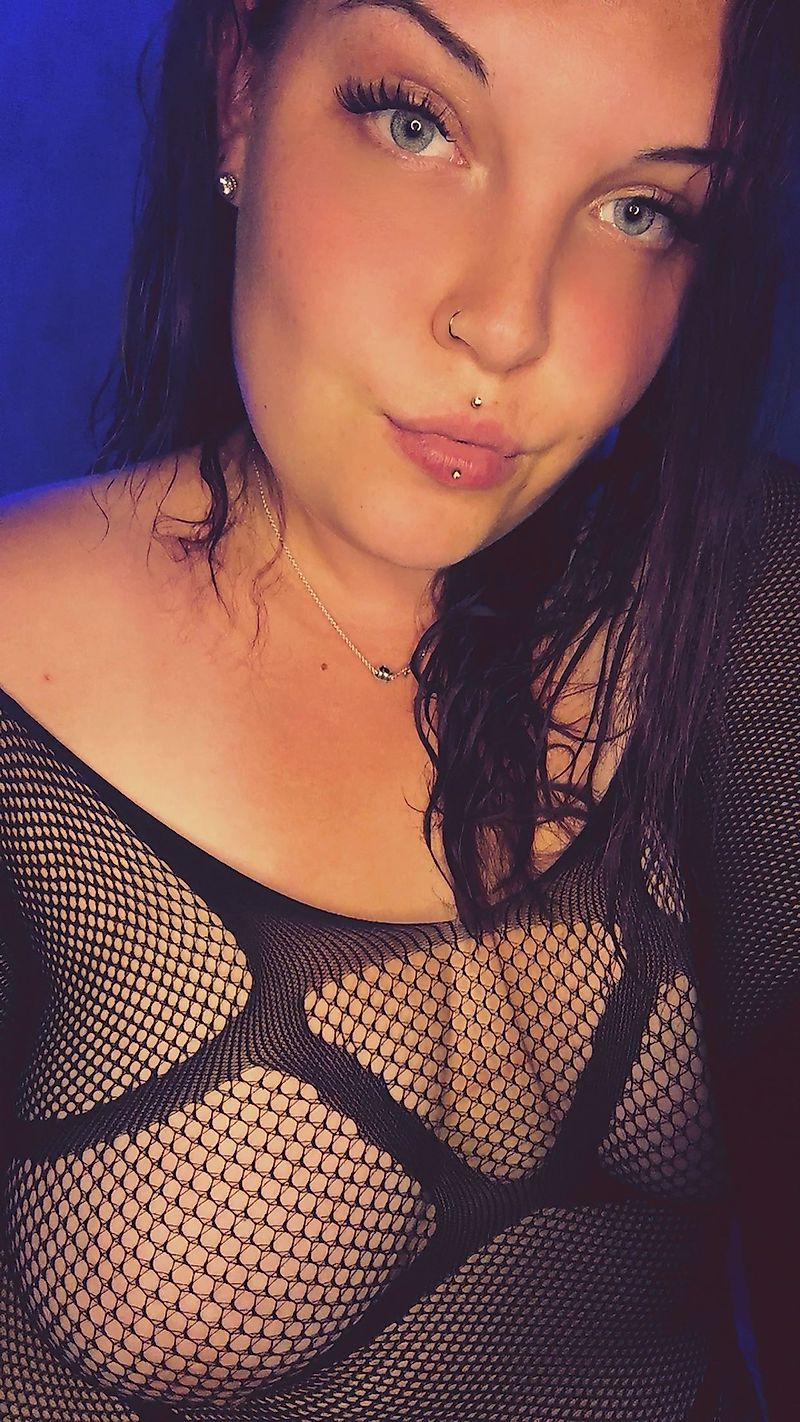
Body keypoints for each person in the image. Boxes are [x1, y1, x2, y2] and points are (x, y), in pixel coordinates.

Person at [0, 0, 797, 1417]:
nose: (508, 321)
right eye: (417, 123)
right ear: (239, 88)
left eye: (639, 209)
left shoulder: (740, 598)